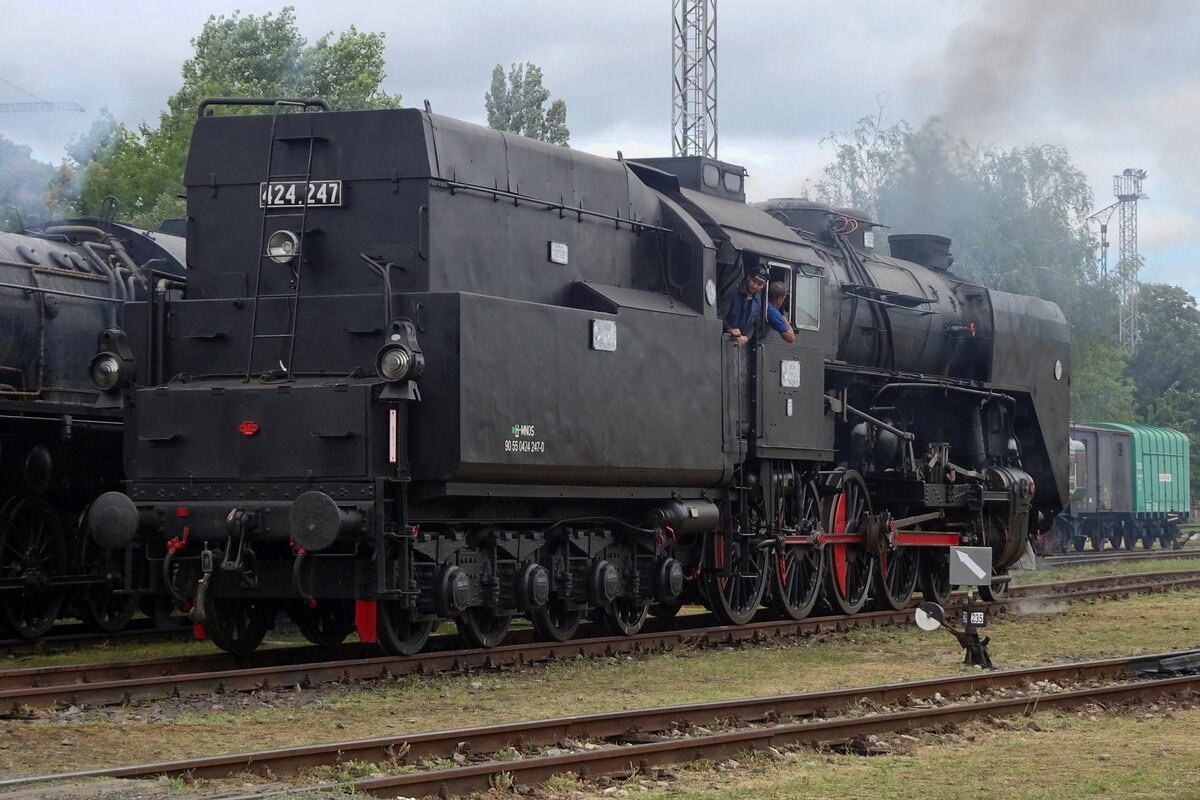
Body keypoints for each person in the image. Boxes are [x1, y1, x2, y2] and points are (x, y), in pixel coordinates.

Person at [724, 265, 770, 346]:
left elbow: (753, 325)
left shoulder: (758, 301)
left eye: (759, 284)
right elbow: (719, 315)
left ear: (763, 286)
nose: (755, 286)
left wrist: (747, 337)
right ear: (748, 277)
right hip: (723, 339)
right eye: (754, 281)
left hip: (740, 346)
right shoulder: (733, 291)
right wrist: (729, 329)